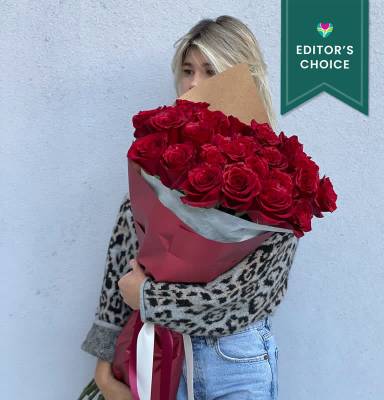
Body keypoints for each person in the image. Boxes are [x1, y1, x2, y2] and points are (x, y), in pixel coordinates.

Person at [80, 15, 300, 400]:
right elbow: (122, 263)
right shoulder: (161, 161)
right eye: (187, 70)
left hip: (237, 362)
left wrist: (149, 299)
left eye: (210, 70)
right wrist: (104, 370)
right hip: (161, 356)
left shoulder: (278, 175)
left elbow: (249, 296)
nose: (194, 83)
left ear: (241, 76)